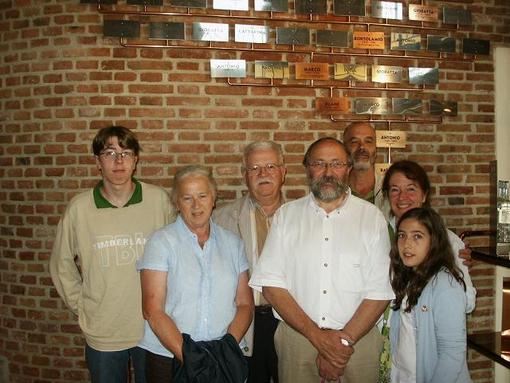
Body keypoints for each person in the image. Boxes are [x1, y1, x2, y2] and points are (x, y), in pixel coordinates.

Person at [249, 137, 394, 383]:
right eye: (319, 163)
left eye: (336, 163)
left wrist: (342, 342)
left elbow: (379, 292)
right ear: (307, 168)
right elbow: (271, 286)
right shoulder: (287, 216)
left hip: (358, 344)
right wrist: (318, 338)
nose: (328, 172)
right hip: (298, 342)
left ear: (348, 168)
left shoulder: (372, 218)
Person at [49, 126, 173, 383]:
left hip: (152, 328)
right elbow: (61, 264)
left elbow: (178, 254)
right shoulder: (79, 208)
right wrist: (81, 306)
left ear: (136, 160)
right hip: (104, 331)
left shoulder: (158, 201)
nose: (119, 161)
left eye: (126, 153)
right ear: (97, 161)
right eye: (109, 153)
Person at [137, 165, 254, 382]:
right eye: (187, 198)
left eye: (202, 195)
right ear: (177, 203)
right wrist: (193, 358)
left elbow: (245, 304)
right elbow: (153, 310)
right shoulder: (161, 242)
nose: (196, 205)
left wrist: (226, 347)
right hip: (170, 357)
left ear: (213, 197)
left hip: (223, 355)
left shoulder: (233, 244)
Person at [214, 141, 286, 383]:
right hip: (244, 321)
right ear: (245, 175)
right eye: (254, 168)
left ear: (283, 172)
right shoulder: (221, 219)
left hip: (289, 320)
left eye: (270, 166)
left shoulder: (302, 216)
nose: (263, 174)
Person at [381, 160, 476, 313]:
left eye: (411, 189)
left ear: (424, 195)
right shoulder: (377, 234)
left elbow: (467, 301)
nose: (402, 197)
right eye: (395, 190)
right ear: (387, 196)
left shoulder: (448, 240)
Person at [389, 207, 472, 383]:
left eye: (417, 236)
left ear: (434, 241)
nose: (407, 244)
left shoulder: (444, 285)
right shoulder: (407, 277)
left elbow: (452, 352)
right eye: (402, 235)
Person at [343, 121, 387, 214]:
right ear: (344, 149)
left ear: (376, 148)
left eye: (368, 141)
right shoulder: (335, 190)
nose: (362, 147)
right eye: (354, 142)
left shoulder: (389, 189)